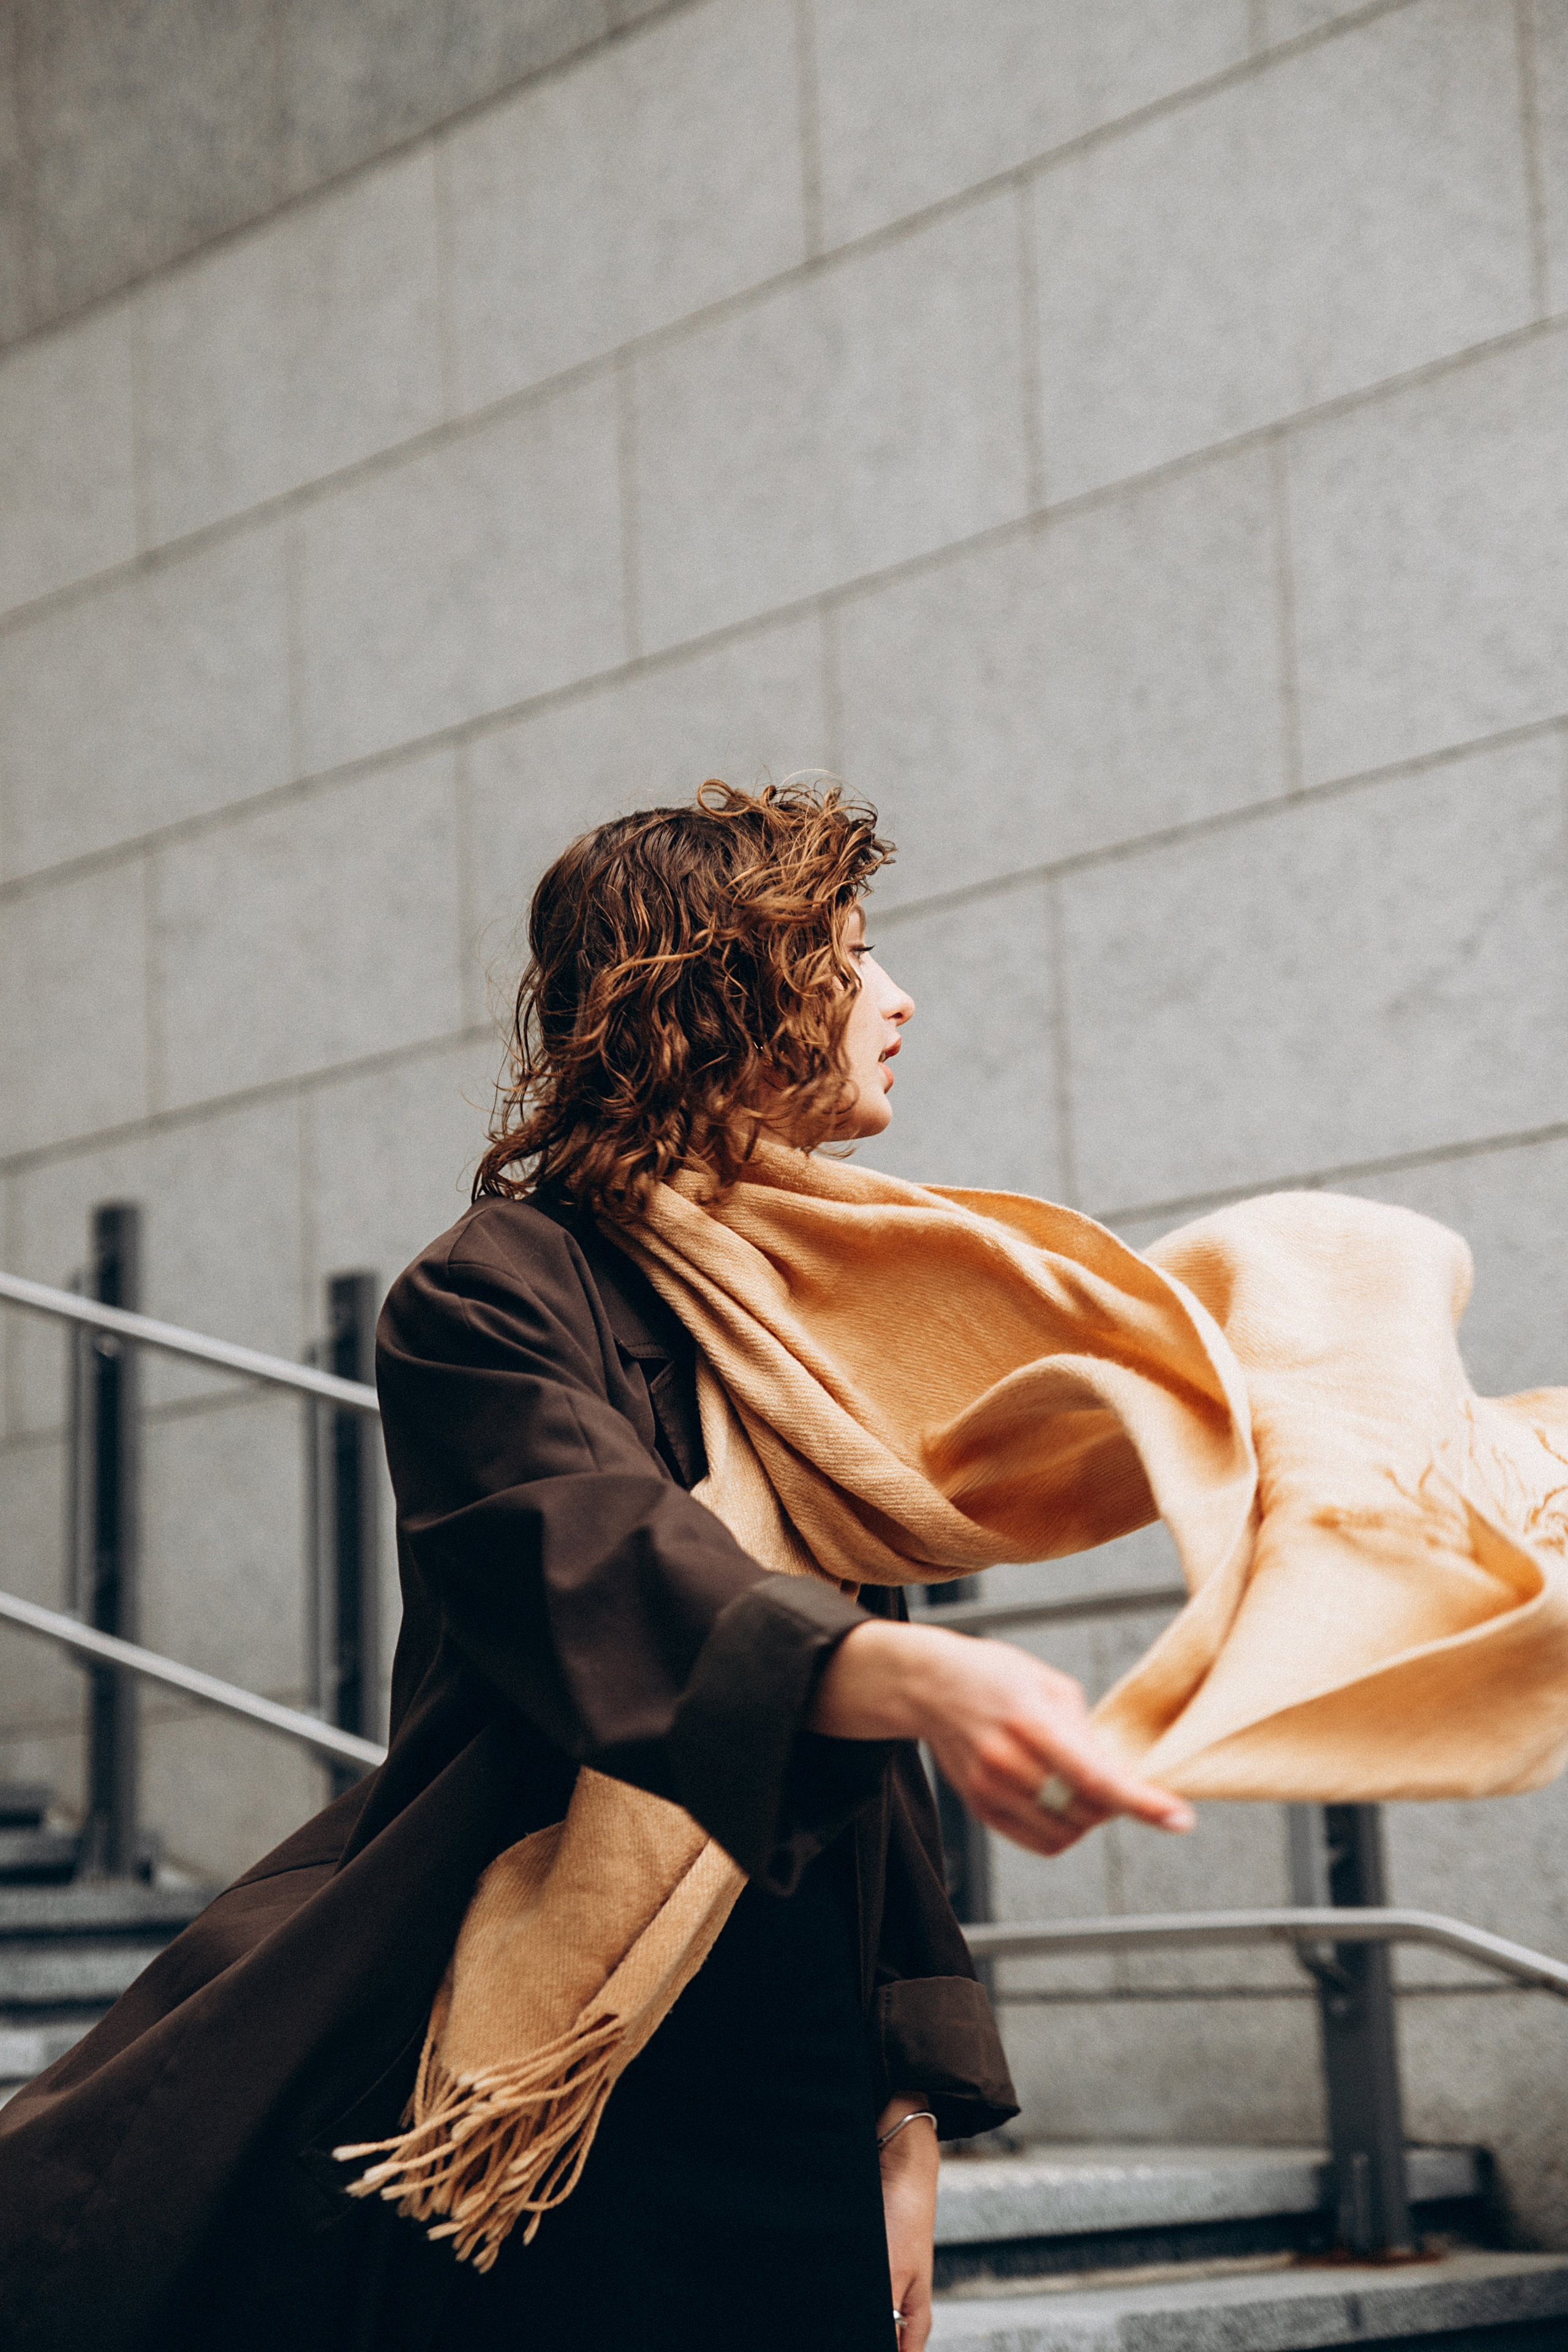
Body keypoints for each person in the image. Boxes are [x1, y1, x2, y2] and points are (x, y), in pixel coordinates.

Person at [0, 779, 1191, 2352]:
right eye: (848, 955)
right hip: (544, 2076)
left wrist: (907, 2108)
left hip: (785, 2065)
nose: (898, 1001)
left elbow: (864, 1790)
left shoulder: (806, 1326)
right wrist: (900, 1670)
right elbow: (590, 1554)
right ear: (728, 995)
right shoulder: (490, 1294)